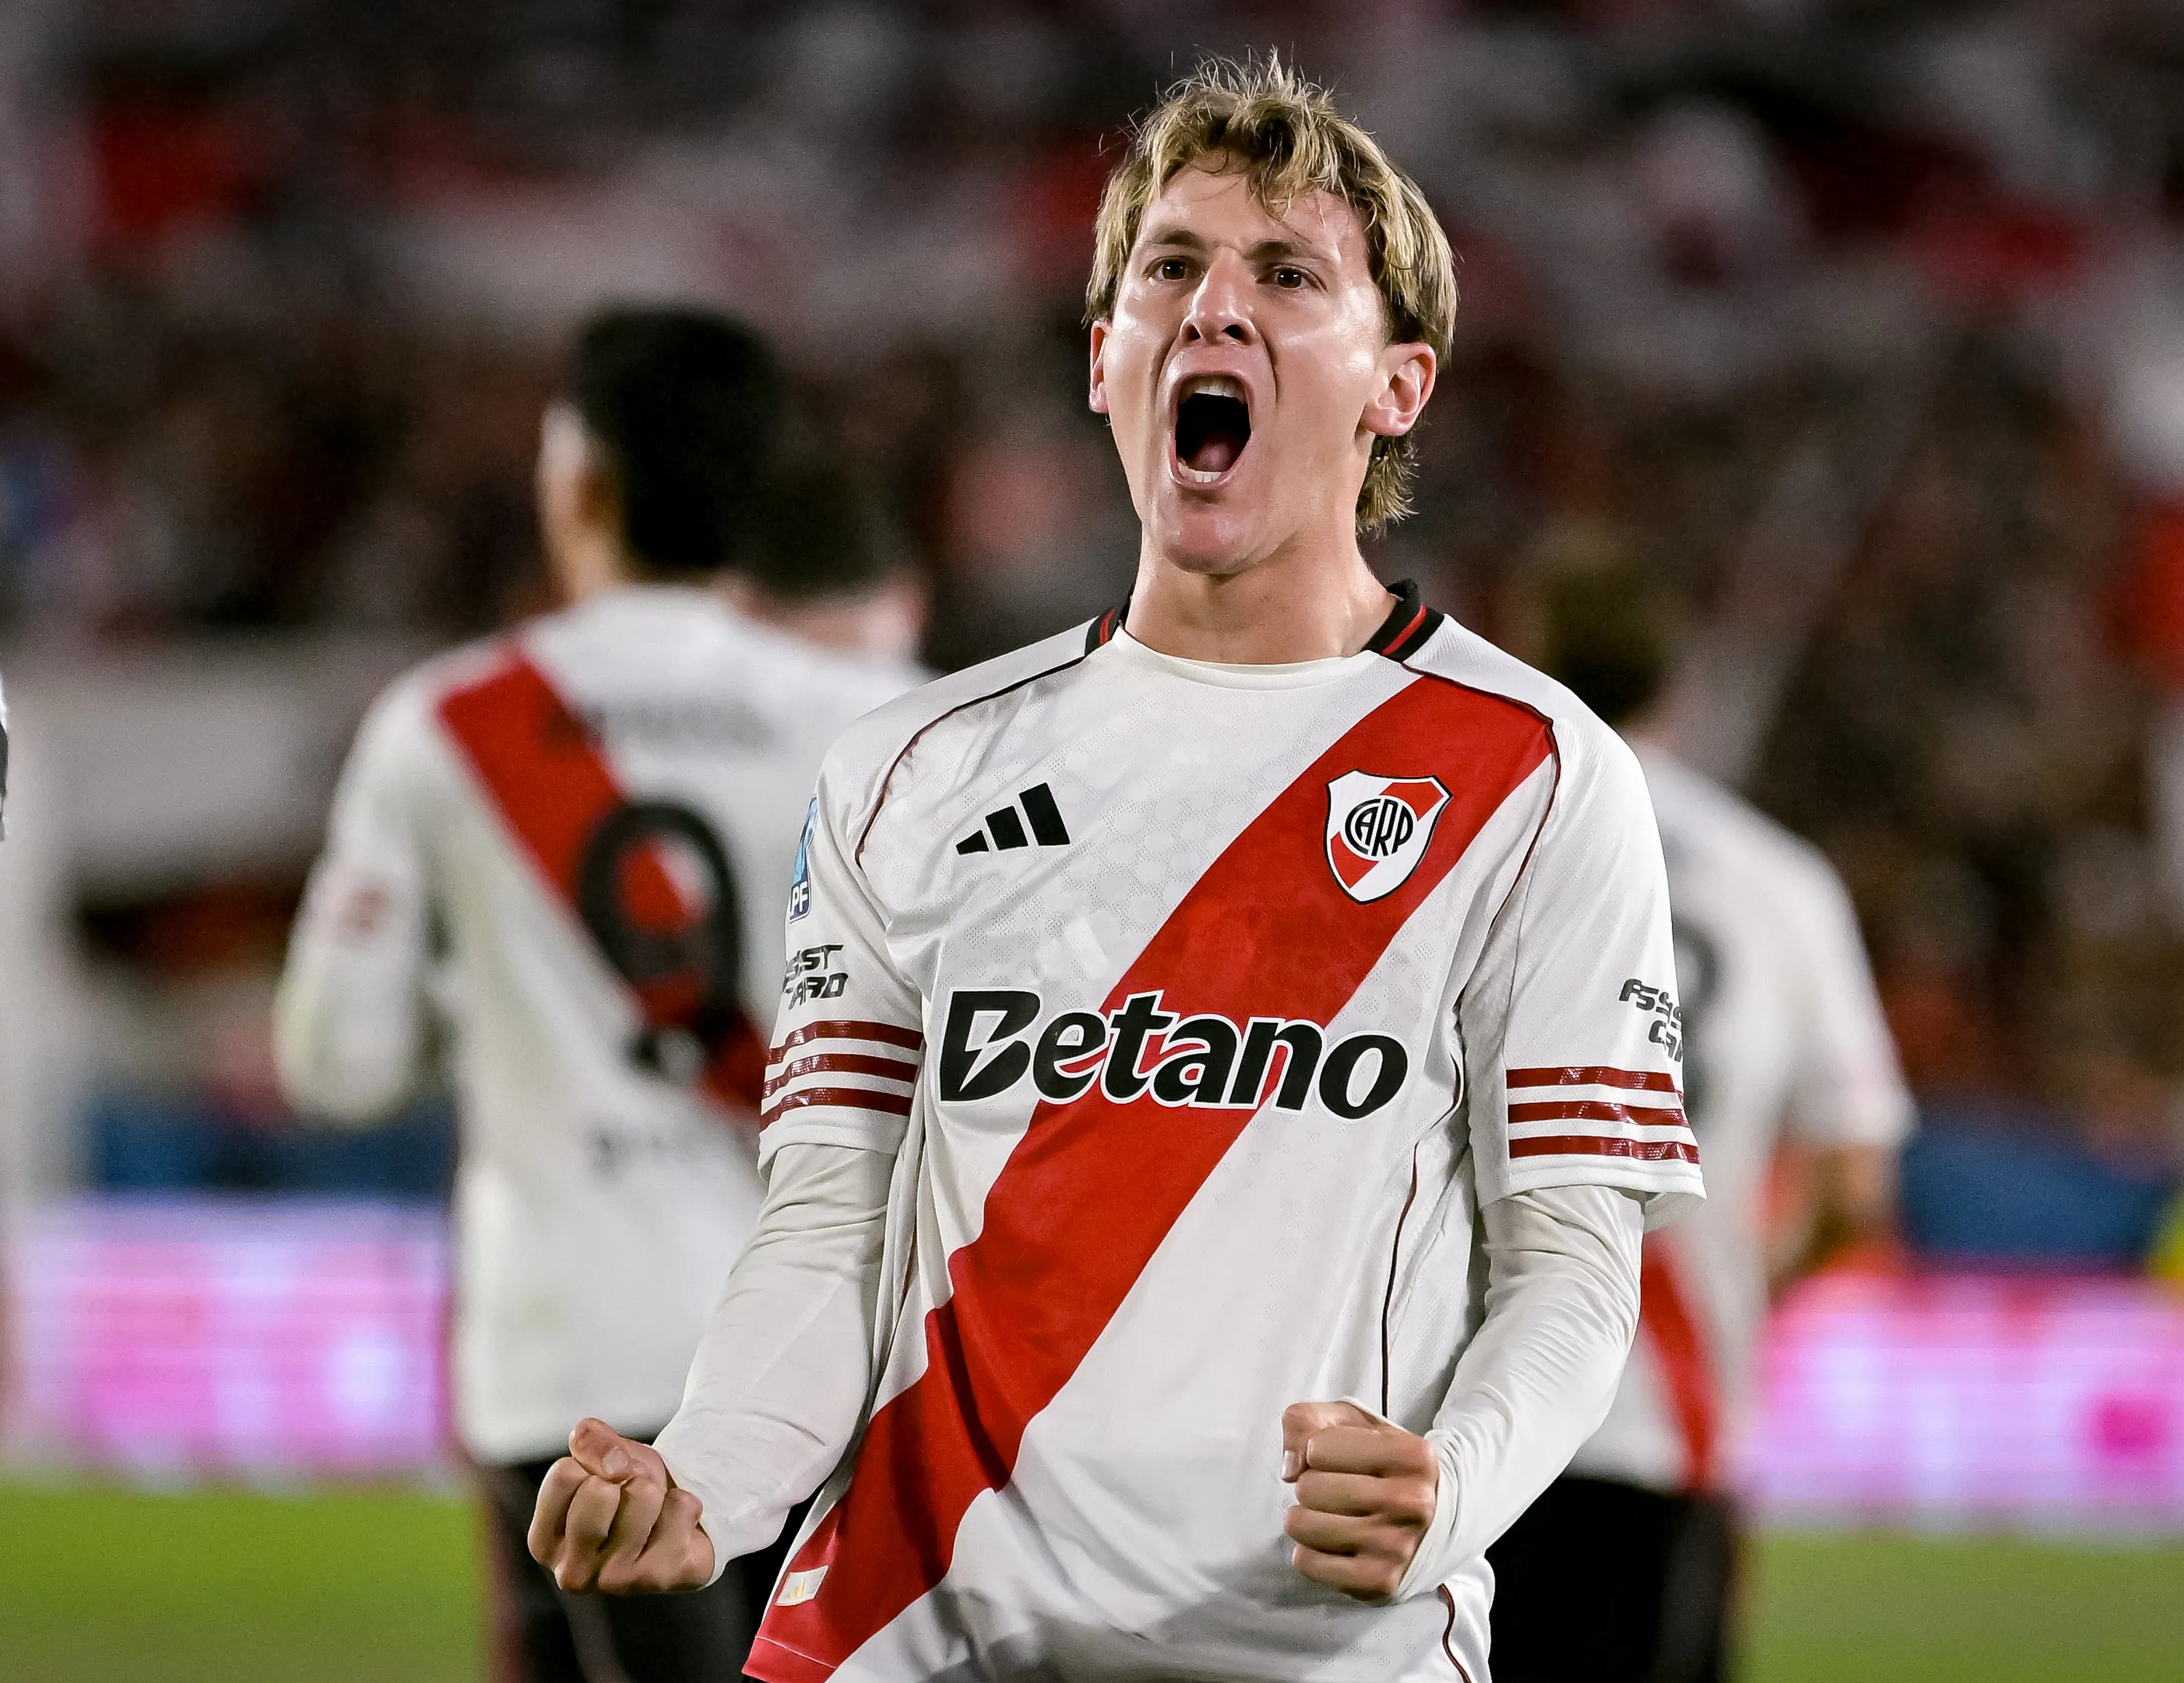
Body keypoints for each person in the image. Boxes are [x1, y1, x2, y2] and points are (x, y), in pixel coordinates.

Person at [528, 57, 1704, 1683]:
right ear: (1105, 360)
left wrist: (1453, 1487)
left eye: (1285, 276)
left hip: (1313, 1647)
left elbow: (1571, 1264)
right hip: (905, 1632)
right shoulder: (906, 773)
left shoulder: (1539, 772)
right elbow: (825, 1237)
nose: (1213, 307)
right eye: (1169, 269)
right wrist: (705, 1480)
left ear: (1396, 385)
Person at [275, 305, 921, 1683]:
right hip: (824, 1351)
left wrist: (495, 989)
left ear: (576, 481)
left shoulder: (448, 725)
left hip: (561, 1351)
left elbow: (335, 1062)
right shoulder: (895, 724)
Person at [1488, 540, 1914, 1683]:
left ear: (1526, 654)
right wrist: (1749, 1285)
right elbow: (1855, 1184)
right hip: (1674, 1404)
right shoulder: (1782, 884)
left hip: (1478, 1402)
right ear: (1675, 682)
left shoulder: (1476, 846)